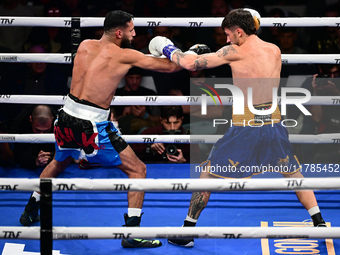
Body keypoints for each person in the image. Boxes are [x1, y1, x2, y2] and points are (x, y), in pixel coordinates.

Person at [148, 8, 327, 248]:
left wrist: (167, 47)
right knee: (292, 171)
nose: (227, 39)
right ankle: (320, 223)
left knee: (208, 172)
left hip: (246, 125)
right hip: (274, 122)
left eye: (228, 35)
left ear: (239, 31)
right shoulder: (274, 50)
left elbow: (190, 64)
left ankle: (187, 230)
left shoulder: (233, 51)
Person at [19, 10, 182, 249]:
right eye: (131, 30)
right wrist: (174, 50)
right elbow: (170, 68)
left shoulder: (85, 45)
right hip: (92, 124)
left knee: (59, 161)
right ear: (119, 32)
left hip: (65, 116)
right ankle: (132, 233)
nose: (135, 34)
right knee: (138, 170)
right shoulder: (124, 55)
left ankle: (30, 210)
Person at [131, 106, 195, 163]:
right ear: (161, 120)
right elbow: (131, 153)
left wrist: (184, 162)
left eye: (176, 122)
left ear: (182, 120)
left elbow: (196, 161)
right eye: (167, 123)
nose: (172, 127)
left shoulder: (188, 136)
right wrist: (150, 148)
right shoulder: (150, 132)